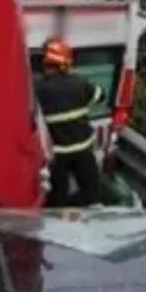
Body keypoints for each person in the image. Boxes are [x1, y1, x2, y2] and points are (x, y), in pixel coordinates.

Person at [33, 37, 104, 207]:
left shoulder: (38, 89)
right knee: (90, 191)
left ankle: (61, 219)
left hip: (57, 155)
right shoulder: (79, 84)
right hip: (83, 150)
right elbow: (101, 96)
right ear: (65, 63)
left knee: (57, 198)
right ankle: (76, 214)